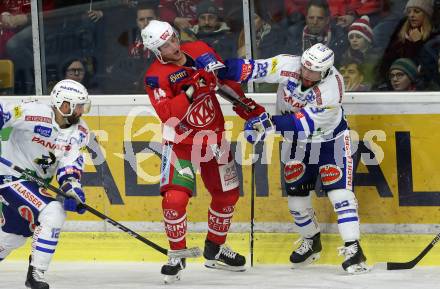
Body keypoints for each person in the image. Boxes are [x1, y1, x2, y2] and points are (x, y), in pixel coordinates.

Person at [218, 43, 369, 274]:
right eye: (305, 68)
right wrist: (215, 69)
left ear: (326, 71)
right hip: (296, 144)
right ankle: (311, 240)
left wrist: (265, 124)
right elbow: (251, 69)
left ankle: (354, 249)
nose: (306, 74)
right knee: (297, 202)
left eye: (313, 72)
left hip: (331, 142)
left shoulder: (332, 88)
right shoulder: (290, 64)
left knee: (340, 195)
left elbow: (301, 123)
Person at [141, 20, 267, 283]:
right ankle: (177, 254)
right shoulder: (155, 76)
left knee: (227, 195)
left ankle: (216, 247)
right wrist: (190, 89)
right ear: (156, 51)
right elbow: (167, 115)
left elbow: (224, 82)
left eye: (173, 39)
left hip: (214, 138)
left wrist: (248, 108)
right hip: (181, 143)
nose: (173, 46)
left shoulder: (199, 49)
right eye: (165, 45)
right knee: (175, 199)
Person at [0, 79, 91, 289]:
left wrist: (71, 188)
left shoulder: (80, 132)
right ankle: (36, 275)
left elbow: (70, 163)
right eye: (78, 106)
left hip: (35, 183)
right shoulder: (33, 112)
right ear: (64, 105)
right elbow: (3, 113)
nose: (81, 111)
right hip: (9, 177)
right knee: (53, 212)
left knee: (11, 238)